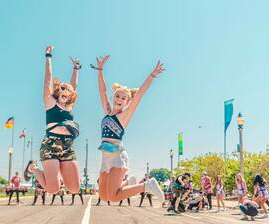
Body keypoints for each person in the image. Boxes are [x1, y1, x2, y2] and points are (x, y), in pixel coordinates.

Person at [93, 55, 165, 204]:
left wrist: (152, 75)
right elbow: (102, 91)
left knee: (113, 198)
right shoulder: (107, 112)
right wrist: (100, 70)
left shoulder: (124, 116)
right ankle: (128, 182)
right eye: (117, 96)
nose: (119, 99)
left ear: (127, 102)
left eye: (123, 98)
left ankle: (147, 185)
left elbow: (139, 95)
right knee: (104, 196)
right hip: (105, 157)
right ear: (113, 98)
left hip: (117, 156)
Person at [25, 46, 81, 199]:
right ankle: (33, 169)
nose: (65, 91)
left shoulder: (69, 107)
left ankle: (59, 171)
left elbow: (74, 86)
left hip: (68, 145)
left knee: (75, 188)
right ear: (58, 91)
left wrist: (76, 69)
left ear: (70, 96)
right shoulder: (50, 102)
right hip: (50, 144)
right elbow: (48, 77)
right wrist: (48, 55)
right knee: (53, 189)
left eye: (67, 91)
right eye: (62, 89)